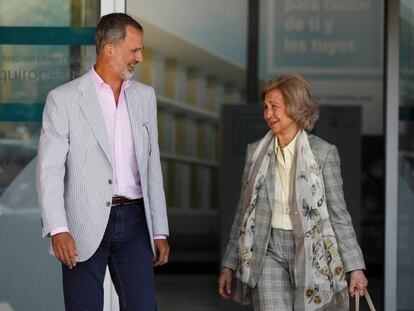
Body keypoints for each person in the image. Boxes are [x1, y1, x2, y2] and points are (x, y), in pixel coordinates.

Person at [36, 13, 169, 310]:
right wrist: (58, 228)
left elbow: (151, 167)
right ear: (109, 48)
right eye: (134, 50)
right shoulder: (64, 99)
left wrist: (159, 230)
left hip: (135, 221)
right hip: (82, 222)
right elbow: (50, 170)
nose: (140, 57)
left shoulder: (145, 97)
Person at [218, 74, 368, 310]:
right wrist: (229, 265)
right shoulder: (255, 152)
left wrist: (355, 267)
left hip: (312, 252)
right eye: (266, 107)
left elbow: (338, 214)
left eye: (274, 107)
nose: (268, 114)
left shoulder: (324, 154)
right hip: (267, 251)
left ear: (296, 108)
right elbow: (243, 213)